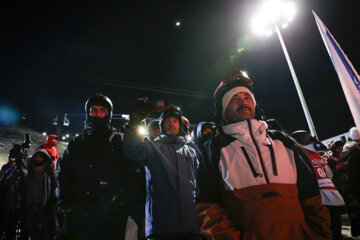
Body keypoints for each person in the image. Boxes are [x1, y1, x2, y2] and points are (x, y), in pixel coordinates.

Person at [196, 71, 331, 240]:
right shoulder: (214, 149)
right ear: (222, 109)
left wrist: (321, 234)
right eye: (234, 98)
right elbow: (208, 209)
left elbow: (311, 195)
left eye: (247, 97)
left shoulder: (284, 142)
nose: (243, 102)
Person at [57, 93, 133, 240]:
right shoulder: (77, 143)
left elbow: (130, 172)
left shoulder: (118, 141)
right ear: (88, 113)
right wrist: (66, 204)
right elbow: (64, 174)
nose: (97, 114)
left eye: (102, 110)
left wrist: (124, 202)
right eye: (94, 110)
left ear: (108, 114)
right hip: (80, 213)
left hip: (111, 213)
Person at [123, 100, 201, 240]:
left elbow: (197, 185)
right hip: (162, 227)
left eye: (175, 121)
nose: (172, 123)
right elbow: (131, 150)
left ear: (180, 124)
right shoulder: (152, 148)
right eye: (167, 121)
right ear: (162, 125)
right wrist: (134, 123)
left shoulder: (191, 152)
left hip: (191, 227)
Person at [292, 130, 344, 240]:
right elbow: (329, 173)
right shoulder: (318, 154)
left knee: (321, 230)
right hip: (332, 193)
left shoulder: (298, 154)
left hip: (315, 196)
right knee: (336, 228)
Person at [25, 149, 58, 240]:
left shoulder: (49, 171)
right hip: (31, 206)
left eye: (40, 156)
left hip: (45, 206)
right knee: (33, 230)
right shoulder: (29, 171)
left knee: (46, 231)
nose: (37, 158)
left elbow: (54, 187)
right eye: (36, 156)